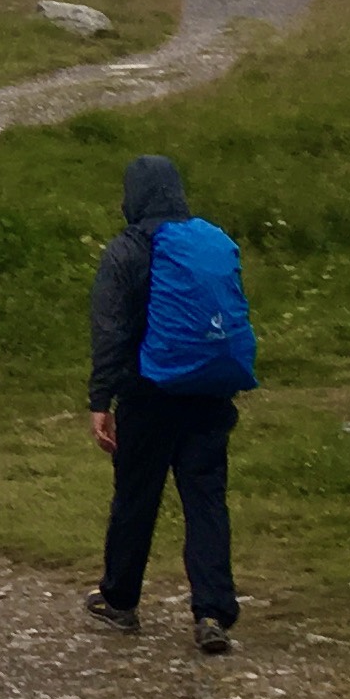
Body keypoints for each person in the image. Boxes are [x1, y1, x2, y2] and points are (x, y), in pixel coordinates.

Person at [84, 154, 255, 654]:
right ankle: (213, 612)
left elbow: (111, 331)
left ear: (132, 194)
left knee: (137, 496)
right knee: (205, 499)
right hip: (209, 391)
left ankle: (120, 601)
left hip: (149, 394)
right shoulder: (210, 243)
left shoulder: (128, 250)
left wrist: (101, 399)